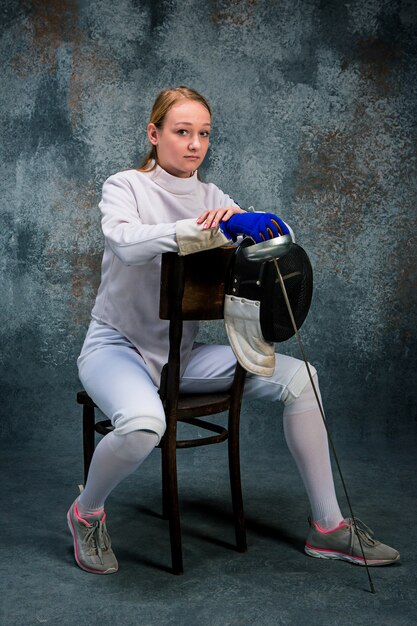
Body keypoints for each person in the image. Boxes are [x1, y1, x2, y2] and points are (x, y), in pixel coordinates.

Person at [67, 86, 399, 575]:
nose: (194, 144)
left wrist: (262, 223)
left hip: (183, 356)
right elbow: (127, 243)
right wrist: (210, 231)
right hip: (116, 348)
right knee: (143, 424)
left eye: (203, 134)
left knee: (301, 377)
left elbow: (279, 239)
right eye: (182, 132)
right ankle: (86, 513)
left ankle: (328, 528)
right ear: (154, 134)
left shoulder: (212, 196)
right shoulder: (125, 186)